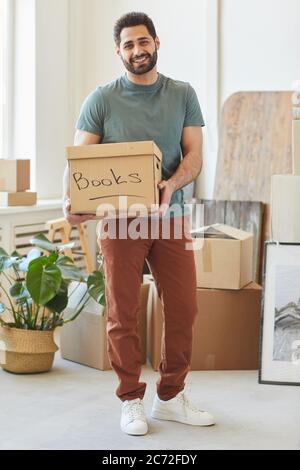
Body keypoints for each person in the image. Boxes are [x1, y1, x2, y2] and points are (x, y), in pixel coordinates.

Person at [63, 11, 215, 436]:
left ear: (156, 43)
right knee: (122, 312)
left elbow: (194, 155)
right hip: (119, 222)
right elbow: (79, 161)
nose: (137, 50)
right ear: (118, 51)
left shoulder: (183, 93)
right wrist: (70, 199)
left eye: (142, 42)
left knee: (184, 308)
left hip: (171, 217)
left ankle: (169, 397)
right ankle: (131, 399)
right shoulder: (101, 99)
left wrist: (171, 184)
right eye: (128, 45)